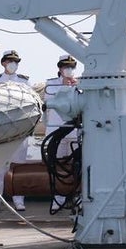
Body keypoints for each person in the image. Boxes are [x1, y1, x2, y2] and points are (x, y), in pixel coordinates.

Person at [0, 50, 30, 211]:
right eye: (10, 61)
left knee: (18, 167)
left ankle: (19, 201)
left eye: (16, 62)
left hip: (19, 129)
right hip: (0, 130)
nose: (13, 64)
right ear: (3, 63)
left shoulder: (24, 82)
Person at [44, 54, 80, 210]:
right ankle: (57, 199)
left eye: (72, 67)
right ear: (60, 68)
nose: (69, 70)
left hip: (74, 130)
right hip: (56, 130)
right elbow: (49, 100)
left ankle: (76, 197)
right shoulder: (51, 84)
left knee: (76, 165)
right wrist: (64, 86)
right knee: (56, 165)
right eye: (66, 67)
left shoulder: (81, 84)